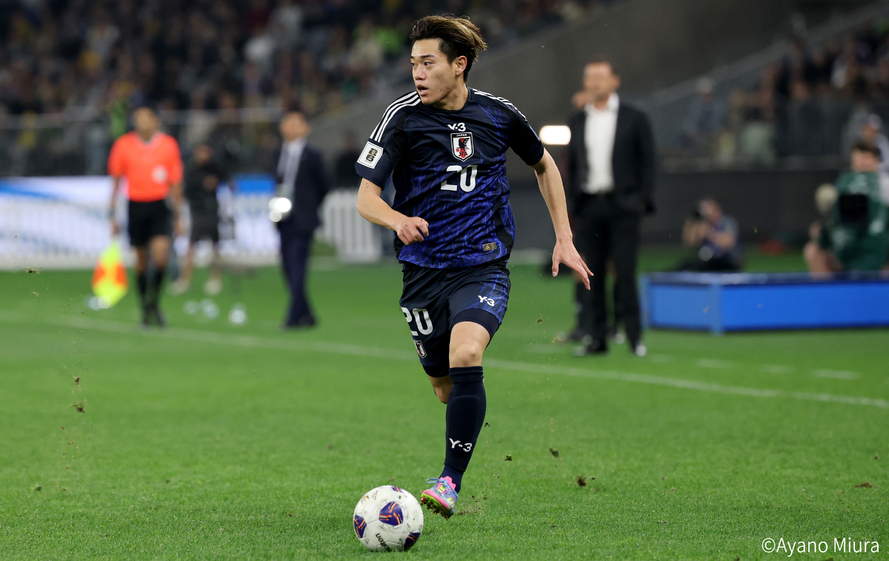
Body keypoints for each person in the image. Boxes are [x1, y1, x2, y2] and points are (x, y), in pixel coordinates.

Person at [355, 15, 591, 519]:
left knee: (467, 352)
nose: (418, 74)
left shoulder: (498, 115)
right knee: (444, 388)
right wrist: (398, 220)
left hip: (482, 265)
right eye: (413, 64)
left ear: (459, 64)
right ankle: (455, 426)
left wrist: (564, 238)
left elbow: (544, 164)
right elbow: (365, 198)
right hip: (422, 273)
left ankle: (449, 481)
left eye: (428, 63)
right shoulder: (402, 118)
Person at [565, 55, 656, 357]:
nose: (594, 83)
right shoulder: (578, 119)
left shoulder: (634, 116)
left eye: (600, 77)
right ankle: (596, 338)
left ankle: (634, 337)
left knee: (625, 272)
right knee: (592, 275)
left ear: (615, 81)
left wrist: (642, 201)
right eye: (590, 78)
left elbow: (649, 162)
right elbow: (572, 165)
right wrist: (574, 202)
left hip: (623, 206)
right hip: (590, 206)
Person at [108, 107, 184, 327]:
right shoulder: (123, 145)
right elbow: (116, 182)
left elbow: (175, 182)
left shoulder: (168, 145)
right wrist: (113, 215)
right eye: (138, 119)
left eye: (146, 118)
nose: (142, 123)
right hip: (136, 205)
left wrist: (179, 216)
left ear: (155, 121)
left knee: (160, 257)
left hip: (160, 205)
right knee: (141, 260)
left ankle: (154, 302)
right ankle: (144, 306)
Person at [273, 110, 328, 329]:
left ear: (306, 127)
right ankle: (306, 314)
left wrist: (310, 205)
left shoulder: (312, 154)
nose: (291, 127)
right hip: (283, 216)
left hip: (303, 217)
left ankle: (293, 316)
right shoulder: (277, 152)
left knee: (297, 265)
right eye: (287, 123)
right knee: (287, 266)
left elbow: (324, 184)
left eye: (296, 123)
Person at [804, 140, 889, 273]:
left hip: (877, 251)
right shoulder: (844, 183)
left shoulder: (885, 184)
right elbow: (838, 220)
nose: (861, 162)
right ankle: (830, 287)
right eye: (858, 158)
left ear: (876, 161)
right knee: (812, 250)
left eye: (865, 157)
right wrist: (823, 227)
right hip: (846, 247)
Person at [173, 143, 226, 296]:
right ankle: (185, 279)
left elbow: (225, 175)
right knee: (191, 245)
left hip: (212, 209)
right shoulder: (190, 169)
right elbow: (187, 189)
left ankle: (215, 278)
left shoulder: (214, 167)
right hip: (197, 210)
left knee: (215, 245)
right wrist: (203, 184)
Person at [677, 198, 742, 272]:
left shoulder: (726, 222)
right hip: (709, 261)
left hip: (728, 260)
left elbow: (728, 242)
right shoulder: (704, 224)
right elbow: (689, 242)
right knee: (685, 266)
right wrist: (692, 221)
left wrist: (709, 233)